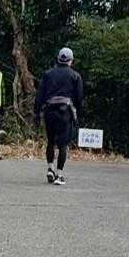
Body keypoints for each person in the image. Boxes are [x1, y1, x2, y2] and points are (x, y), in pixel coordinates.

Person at [33, 46, 83, 185]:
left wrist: (36, 112)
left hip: (49, 111)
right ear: (71, 60)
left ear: (58, 59)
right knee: (63, 145)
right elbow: (79, 98)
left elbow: (40, 95)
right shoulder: (75, 75)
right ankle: (59, 175)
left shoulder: (48, 74)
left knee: (50, 141)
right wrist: (79, 113)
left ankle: (50, 168)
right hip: (65, 112)